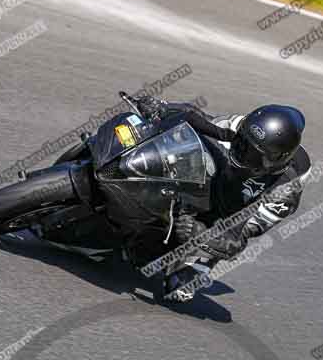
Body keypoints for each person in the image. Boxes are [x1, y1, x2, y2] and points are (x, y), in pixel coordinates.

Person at [133, 95, 310, 302]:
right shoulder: (240, 127)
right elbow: (200, 120)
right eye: (241, 143)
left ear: (275, 162)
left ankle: (195, 264)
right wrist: (163, 108)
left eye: (251, 155)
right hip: (215, 182)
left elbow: (238, 238)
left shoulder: (286, 189)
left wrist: (199, 233)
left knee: (178, 288)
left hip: (228, 217)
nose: (240, 153)